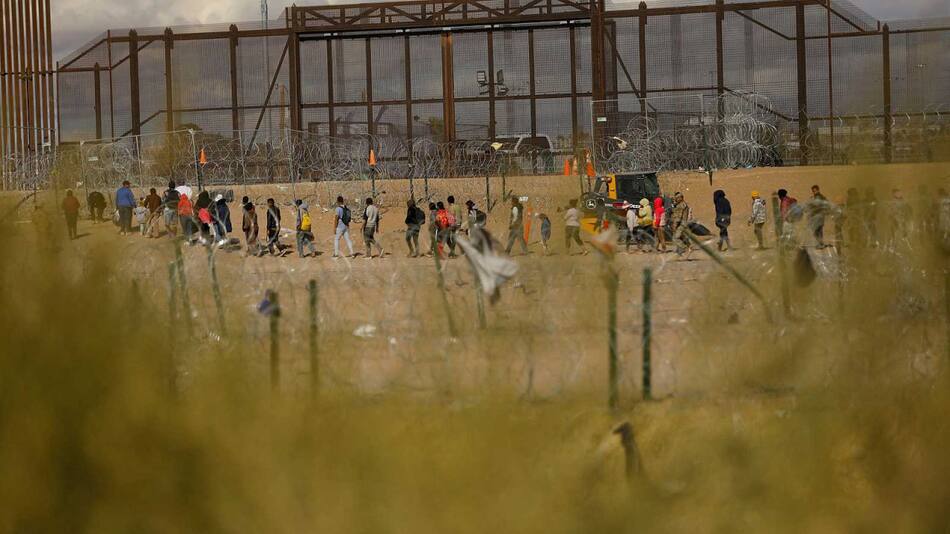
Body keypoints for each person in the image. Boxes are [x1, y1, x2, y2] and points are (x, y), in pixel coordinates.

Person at [669, 191, 691, 257]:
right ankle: (681, 252)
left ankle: (685, 248)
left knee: (675, 238)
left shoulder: (681, 205)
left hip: (681, 224)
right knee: (681, 237)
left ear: (681, 198)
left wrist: (675, 225)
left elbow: (678, 217)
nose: (676, 199)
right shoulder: (680, 205)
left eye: (677, 198)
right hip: (682, 224)